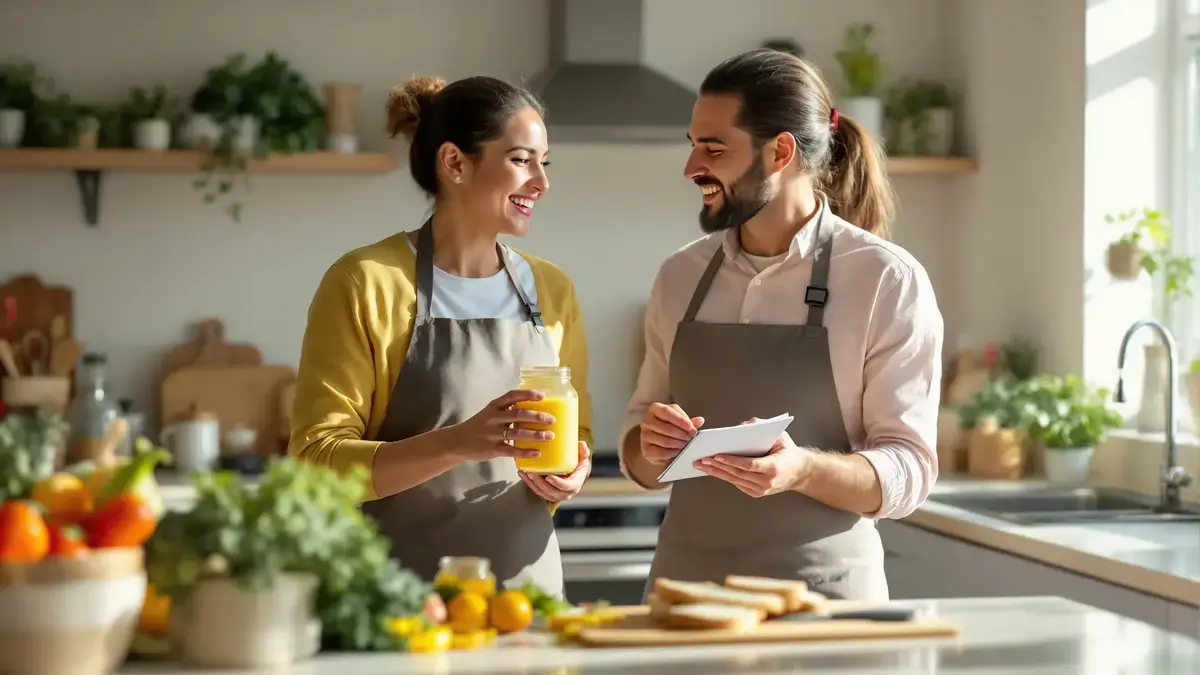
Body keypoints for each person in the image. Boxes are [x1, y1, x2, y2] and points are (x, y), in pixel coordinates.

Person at [620, 49, 944, 602]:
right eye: (693, 144)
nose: (692, 166)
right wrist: (648, 446)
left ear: (780, 152)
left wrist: (803, 471)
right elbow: (638, 451)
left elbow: (910, 468)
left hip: (823, 607)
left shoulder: (884, 280)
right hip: (682, 603)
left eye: (713, 148)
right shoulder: (681, 276)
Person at [289, 74, 594, 599]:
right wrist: (456, 442)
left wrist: (572, 470)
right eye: (522, 160)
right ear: (454, 163)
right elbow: (317, 461)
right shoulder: (366, 282)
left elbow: (577, 431)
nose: (541, 182)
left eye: (545, 163)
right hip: (398, 602)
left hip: (528, 602)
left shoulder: (552, 289)